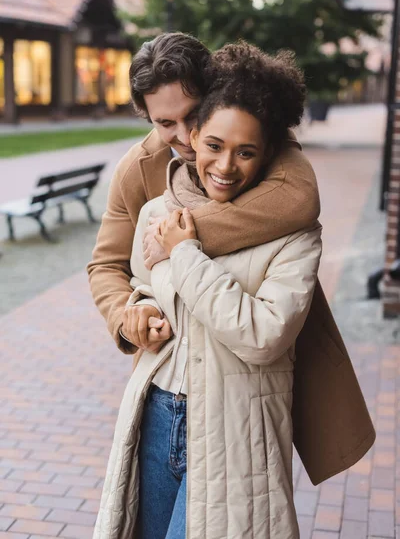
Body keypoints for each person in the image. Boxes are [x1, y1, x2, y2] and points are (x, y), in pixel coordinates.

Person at [88, 33, 374, 494]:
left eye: (190, 114)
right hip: (176, 376)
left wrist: (183, 238)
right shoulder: (136, 169)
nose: (183, 136)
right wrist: (128, 316)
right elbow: (106, 266)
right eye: (165, 123)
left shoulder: (256, 138)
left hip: (250, 379)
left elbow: (299, 200)